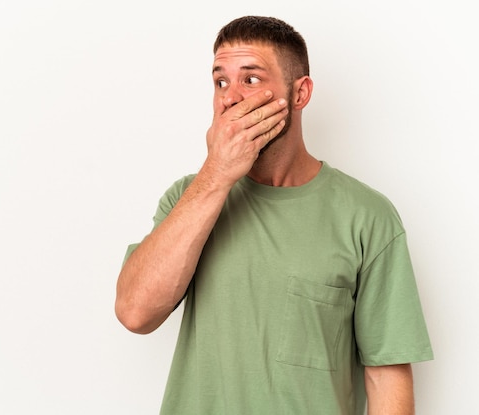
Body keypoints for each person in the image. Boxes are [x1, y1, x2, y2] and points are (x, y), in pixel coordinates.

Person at [115, 15, 433, 415]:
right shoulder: (187, 197)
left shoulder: (367, 216)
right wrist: (215, 176)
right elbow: (134, 313)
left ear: (300, 94)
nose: (230, 98)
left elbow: (386, 375)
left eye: (250, 79)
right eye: (220, 81)